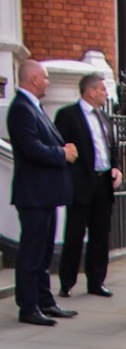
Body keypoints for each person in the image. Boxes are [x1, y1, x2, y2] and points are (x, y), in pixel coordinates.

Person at [6, 58, 78, 326]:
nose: (47, 82)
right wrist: (62, 153)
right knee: (32, 251)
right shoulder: (21, 109)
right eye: (45, 77)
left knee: (45, 251)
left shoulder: (34, 107)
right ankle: (28, 306)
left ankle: (45, 300)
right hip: (33, 195)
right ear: (33, 79)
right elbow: (32, 149)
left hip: (45, 194)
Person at [54, 71, 123, 297]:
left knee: (101, 233)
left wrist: (115, 167)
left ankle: (96, 281)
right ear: (91, 91)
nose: (106, 93)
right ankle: (67, 281)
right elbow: (62, 149)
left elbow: (111, 148)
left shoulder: (104, 117)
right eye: (103, 89)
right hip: (81, 183)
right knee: (74, 233)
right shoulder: (68, 115)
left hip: (103, 183)